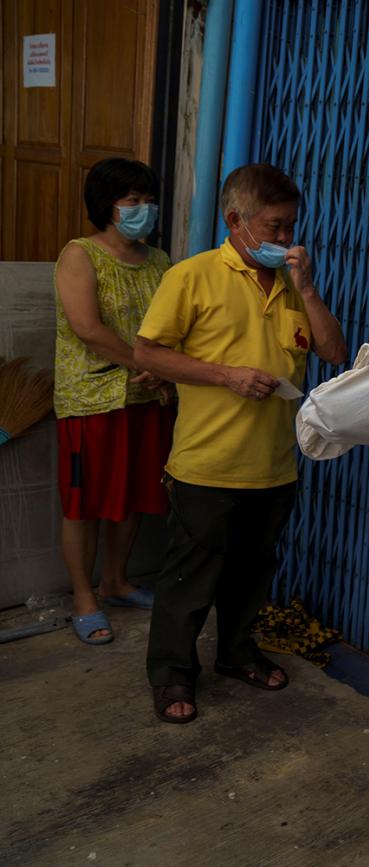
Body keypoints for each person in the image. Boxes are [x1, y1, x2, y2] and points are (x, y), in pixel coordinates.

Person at [133, 164, 347, 724]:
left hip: (274, 469)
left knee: (252, 576)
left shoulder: (293, 286)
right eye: (274, 227)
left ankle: (236, 654)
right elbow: (148, 353)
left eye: (290, 227)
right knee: (188, 581)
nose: (285, 239)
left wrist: (306, 286)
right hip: (207, 465)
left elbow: (334, 352)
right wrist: (225, 375)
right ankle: (173, 674)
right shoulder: (192, 276)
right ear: (237, 221)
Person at [53, 158, 175, 645]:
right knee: (84, 503)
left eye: (148, 199)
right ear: (107, 205)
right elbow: (87, 327)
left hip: (147, 397)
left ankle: (117, 580)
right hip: (92, 398)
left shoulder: (160, 261)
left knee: (132, 497)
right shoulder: (80, 255)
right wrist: (142, 363)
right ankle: (85, 596)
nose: (143, 209)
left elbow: (173, 324)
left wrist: (165, 370)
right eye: (132, 201)